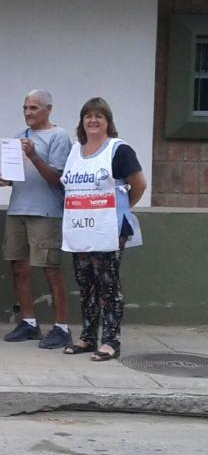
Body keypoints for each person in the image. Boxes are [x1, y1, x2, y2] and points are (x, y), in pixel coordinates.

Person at [61, 97, 146, 361]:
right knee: (86, 284)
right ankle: (88, 337)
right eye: (88, 116)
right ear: (82, 122)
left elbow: (139, 184)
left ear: (108, 121)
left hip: (110, 229)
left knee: (108, 286)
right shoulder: (75, 151)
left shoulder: (119, 150)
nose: (93, 120)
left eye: (99, 116)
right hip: (81, 228)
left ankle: (110, 341)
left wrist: (121, 209)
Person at [0, 90, 74, 349]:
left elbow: (57, 178)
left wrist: (33, 155)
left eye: (34, 108)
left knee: (50, 268)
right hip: (18, 209)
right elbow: (20, 175)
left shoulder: (59, 136)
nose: (28, 112)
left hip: (45, 212)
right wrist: (5, 179)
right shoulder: (20, 137)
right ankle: (29, 322)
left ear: (48, 109)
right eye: (25, 108)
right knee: (19, 267)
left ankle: (62, 327)